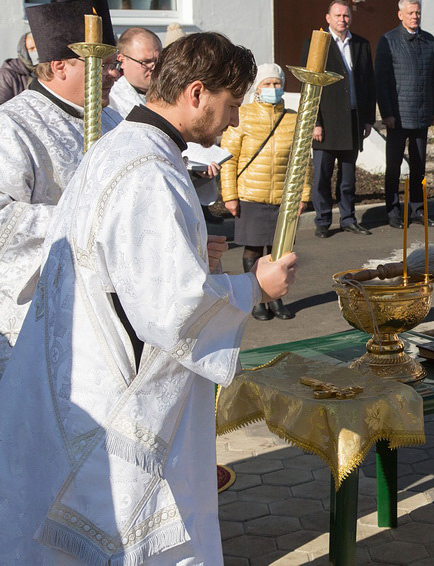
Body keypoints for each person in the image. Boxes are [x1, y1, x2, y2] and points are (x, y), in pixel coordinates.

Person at [0, 32, 298, 564]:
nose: (232, 122)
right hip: (115, 393)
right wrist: (256, 285)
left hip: (76, 373)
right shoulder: (150, 170)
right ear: (197, 92)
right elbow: (173, 310)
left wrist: (188, 252)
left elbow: (123, 263)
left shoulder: (121, 145)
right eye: (231, 106)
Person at [0, 0, 118, 372]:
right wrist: (84, 222)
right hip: (38, 310)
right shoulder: (12, 125)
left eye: (114, 63)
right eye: (101, 62)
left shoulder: (114, 120)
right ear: (59, 66)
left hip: (110, 304)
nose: (114, 73)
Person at [221, 63, 309, 321]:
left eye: (277, 84)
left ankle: (276, 297)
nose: (273, 88)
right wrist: (230, 196)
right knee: (253, 249)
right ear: (257, 88)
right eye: (267, 84)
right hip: (251, 194)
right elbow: (229, 158)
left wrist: (303, 194)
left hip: (284, 196)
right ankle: (256, 298)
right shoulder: (243, 115)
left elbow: (302, 159)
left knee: (279, 250)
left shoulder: (293, 118)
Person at [309, 0, 376, 237]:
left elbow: (369, 83)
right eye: (337, 15)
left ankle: (348, 218)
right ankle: (323, 221)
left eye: (346, 15)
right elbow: (311, 85)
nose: (342, 19)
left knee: (348, 179)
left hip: (353, 121)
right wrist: (315, 122)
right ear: (328, 18)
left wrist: (369, 119)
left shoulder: (360, 44)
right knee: (322, 177)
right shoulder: (318, 44)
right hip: (326, 124)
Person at [375, 0, 434, 229]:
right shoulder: (388, 40)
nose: (415, 17)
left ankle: (417, 209)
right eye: (411, 13)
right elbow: (381, 81)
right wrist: (387, 113)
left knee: (419, 167)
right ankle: (392, 211)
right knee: (393, 166)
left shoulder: (429, 40)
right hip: (398, 116)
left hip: (422, 114)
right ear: (400, 14)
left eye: (418, 13)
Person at [107, 26, 163, 122]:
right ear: (122, 61)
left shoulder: (171, 93)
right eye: (145, 62)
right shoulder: (111, 101)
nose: (154, 67)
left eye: (159, 60)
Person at [0, 32, 36, 104]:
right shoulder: (7, 74)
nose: (36, 51)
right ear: (23, 51)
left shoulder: (46, 70)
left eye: (38, 48)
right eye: (32, 48)